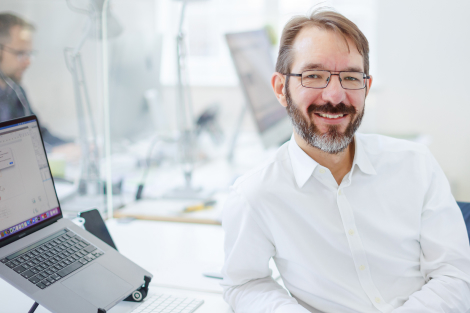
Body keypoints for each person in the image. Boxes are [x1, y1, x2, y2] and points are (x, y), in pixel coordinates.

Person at [221, 8, 470, 313]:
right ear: (279, 89)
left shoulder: (416, 165)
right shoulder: (255, 195)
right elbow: (245, 283)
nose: (335, 95)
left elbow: (455, 273)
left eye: (351, 77)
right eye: (313, 75)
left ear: (366, 87)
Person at [0, 12, 68, 148]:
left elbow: (39, 134)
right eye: (20, 53)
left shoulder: (16, 91)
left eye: (29, 54)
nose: (27, 62)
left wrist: (71, 146)